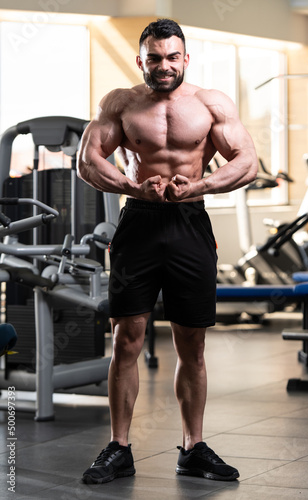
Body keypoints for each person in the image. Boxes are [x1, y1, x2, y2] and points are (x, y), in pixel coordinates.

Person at [78, 18, 258, 484]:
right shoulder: (120, 103)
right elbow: (87, 160)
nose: (163, 66)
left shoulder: (210, 104)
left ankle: (193, 447)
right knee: (127, 339)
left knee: (192, 344)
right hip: (138, 221)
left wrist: (197, 184)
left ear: (185, 58)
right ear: (141, 60)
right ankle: (119, 448)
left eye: (172, 57)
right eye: (154, 58)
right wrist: (132, 185)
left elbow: (247, 163)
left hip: (190, 223)